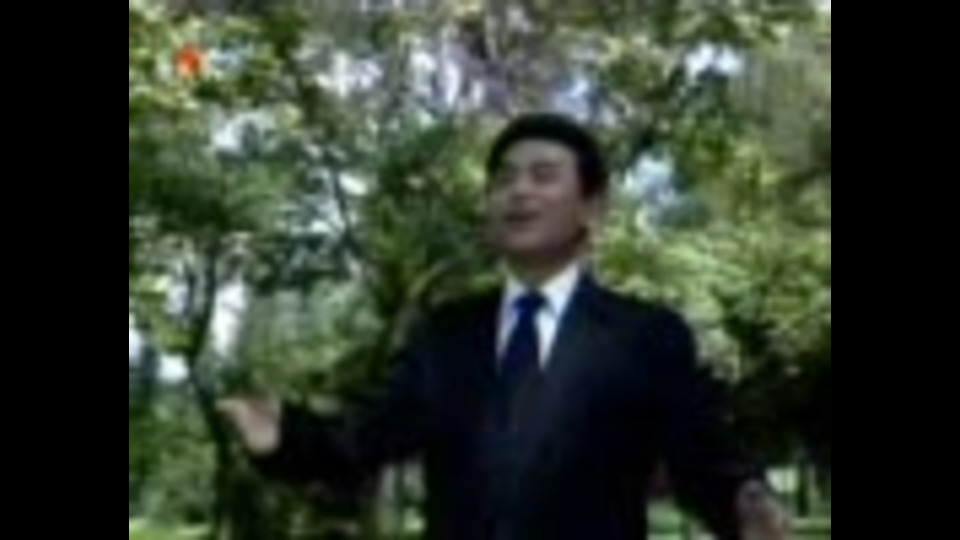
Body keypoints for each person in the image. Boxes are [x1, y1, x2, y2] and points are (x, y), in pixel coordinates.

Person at [220, 113, 789, 540]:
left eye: (543, 176)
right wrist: (285, 437)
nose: (518, 190)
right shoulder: (445, 335)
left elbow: (700, 456)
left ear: (592, 208)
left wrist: (744, 501)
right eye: (504, 178)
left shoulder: (645, 336)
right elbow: (369, 434)